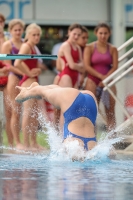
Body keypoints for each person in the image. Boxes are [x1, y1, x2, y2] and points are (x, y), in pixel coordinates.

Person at [15, 82, 98, 156]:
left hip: (89, 98)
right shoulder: (80, 153)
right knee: (44, 92)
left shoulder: (80, 152)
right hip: (88, 99)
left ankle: (32, 89)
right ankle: (28, 91)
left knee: (53, 92)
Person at [84, 23, 118, 131]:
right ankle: (91, 138)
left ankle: (112, 139)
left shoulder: (112, 49)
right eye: (101, 33)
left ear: (109, 34)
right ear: (96, 33)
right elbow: (87, 66)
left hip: (108, 80)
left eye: (105, 33)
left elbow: (115, 66)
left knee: (110, 111)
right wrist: (101, 77)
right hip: (93, 80)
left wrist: (106, 78)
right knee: (92, 109)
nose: (103, 36)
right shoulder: (89, 47)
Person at [14, 23, 43, 151]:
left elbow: (30, 63)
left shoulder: (33, 47)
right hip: (27, 82)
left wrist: (35, 71)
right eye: (34, 35)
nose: (36, 37)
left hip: (33, 81)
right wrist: (29, 73)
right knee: (28, 113)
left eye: (38, 35)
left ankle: (34, 143)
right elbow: (17, 62)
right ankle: (26, 144)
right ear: (28, 35)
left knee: (34, 114)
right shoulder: (26, 46)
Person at [1, 19, 25, 149]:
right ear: (10, 31)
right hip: (13, 78)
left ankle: (17, 143)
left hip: (23, 76)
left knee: (18, 112)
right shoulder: (7, 45)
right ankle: (14, 143)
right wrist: (25, 72)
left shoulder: (25, 43)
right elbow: (8, 66)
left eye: (19, 30)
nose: (18, 32)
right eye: (15, 30)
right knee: (11, 112)